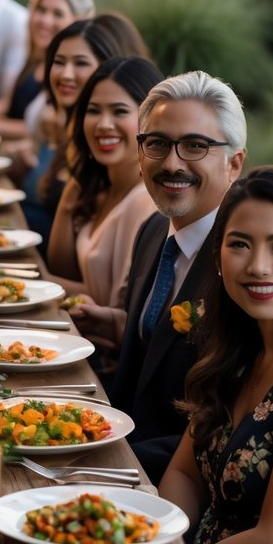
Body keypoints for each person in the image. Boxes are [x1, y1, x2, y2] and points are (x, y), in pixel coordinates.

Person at [80, 71, 247, 483]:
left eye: (195, 146)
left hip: (169, 484)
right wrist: (126, 328)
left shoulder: (246, 270)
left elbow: (224, 429)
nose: (172, 163)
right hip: (111, 448)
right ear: (140, 155)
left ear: (234, 164)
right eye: (157, 143)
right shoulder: (154, 231)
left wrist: (102, 461)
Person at [159, 167, 273, 544]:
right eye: (239, 244)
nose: (258, 267)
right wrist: (152, 540)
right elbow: (185, 472)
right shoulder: (237, 352)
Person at [47, 57, 164, 369]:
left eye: (120, 111)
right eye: (94, 110)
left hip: (106, 362)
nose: (103, 124)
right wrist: (76, 183)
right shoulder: (101, 186)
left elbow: (118, 306)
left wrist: (33, 281)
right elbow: (61, 266)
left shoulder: (145, 201)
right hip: (80, 339)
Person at [20, 13, 148, 243]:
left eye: (80, 63)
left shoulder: (113, 149)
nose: (65, 74)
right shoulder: (73, 133)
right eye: (59, 62)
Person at [0, 0, 94, 136]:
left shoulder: (69, 75)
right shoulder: (35, 60)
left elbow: (41, 130)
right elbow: (8, 107)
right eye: (41, 10)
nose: (45, 21)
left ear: (78, 21)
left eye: (58, 14)